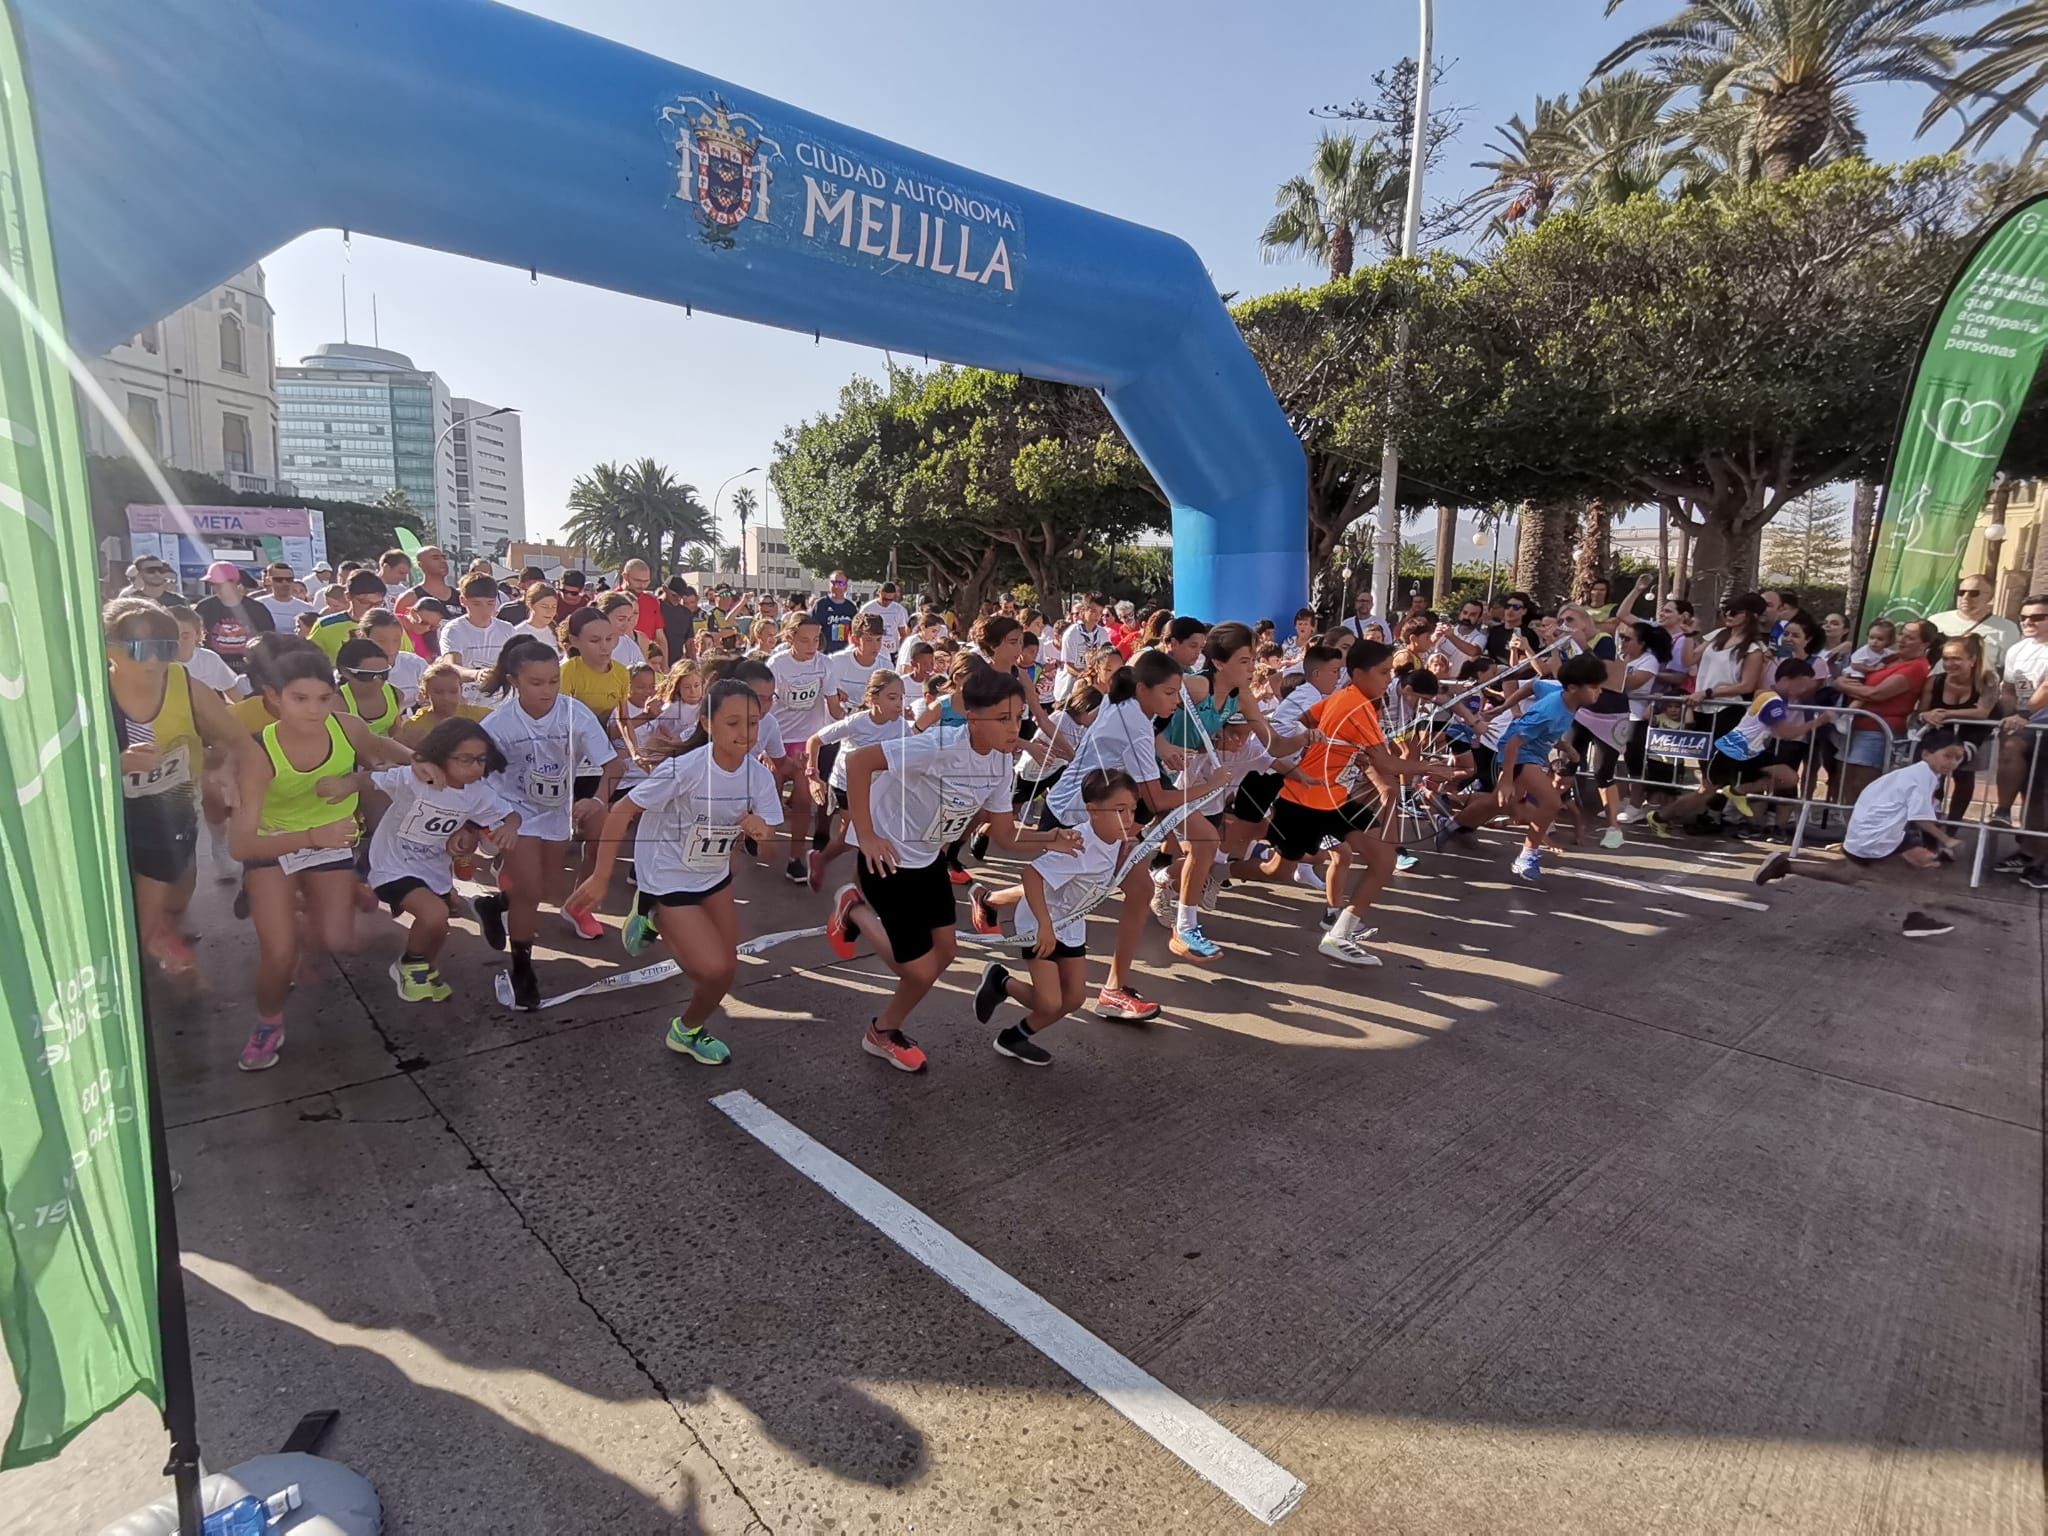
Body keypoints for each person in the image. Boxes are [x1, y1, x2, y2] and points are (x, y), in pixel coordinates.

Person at [830, 664, 1077, 1073]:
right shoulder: (937, 745)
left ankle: (884, 1030)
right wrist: (867, 834)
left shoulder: (1000, 764)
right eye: (1003, 719)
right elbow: (858, 763)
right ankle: (853, 910)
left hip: (927, 860)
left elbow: (1004, 834)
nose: (1014, 728)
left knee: (945, 952)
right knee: (920, 970)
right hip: (887, 858)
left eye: (1019, 718)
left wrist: (1052, 839)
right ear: (973, 717)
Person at [569, 678, 782, 1065]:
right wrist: (601, 876)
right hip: (666, 875)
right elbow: (622, 811)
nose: (744, 733)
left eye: (752, 723)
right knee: (714, 970)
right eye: (732, 723)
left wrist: (761, 831)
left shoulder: (760, 776)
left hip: (712, 874)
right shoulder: (683, 769)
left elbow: (767, 844)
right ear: (707, 723)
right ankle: (651, 910)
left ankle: (687, 1032)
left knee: (727, 966)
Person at [228, 644, 416, 1070]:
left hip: (328, 845)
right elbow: (240, 845)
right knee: (278, 953)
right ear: (274, 698)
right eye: (300, 698)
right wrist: (311, 835)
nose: (314, 710)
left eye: (323, 698)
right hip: (275, 848)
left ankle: (324, 909)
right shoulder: (259, 753)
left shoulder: (345, 727)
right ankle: (268, 1022)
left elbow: (379, 742)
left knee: (337, 940)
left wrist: (419, 761)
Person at [475, 636, 618, 1009]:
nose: (546, 690)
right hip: (513, 812)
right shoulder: (498, 725)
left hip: (556, 811)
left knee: (546, 888)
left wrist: (597, 798)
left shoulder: (574, 713)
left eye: (553, 681)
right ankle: (522, 966)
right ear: (515, 682)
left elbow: (611, 765)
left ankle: (495, 905)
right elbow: (480, 782)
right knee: (530, 890)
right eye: (536, 683)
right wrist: (502, 817)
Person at [105, 598, 247, 974]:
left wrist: (227, 767)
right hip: (107, 811)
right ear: (110, 649)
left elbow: (239, 739)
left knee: (182, 885)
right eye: (140, 649)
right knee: (144, 888)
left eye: (166, 649)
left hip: (175, 803)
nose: (154, 661)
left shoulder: (185, 683)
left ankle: (162, 929)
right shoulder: (87, 690)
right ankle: (142, 957)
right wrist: (110, 763)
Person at [973, 768, 1143, 1067]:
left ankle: (1013, 1038)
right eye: (1119, 810)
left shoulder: (1117, 838)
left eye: (1132, 809)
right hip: (1041, 922)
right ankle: (1001, 981)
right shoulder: (1077, 844)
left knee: (1074, 999)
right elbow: (1031, 876)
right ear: (1093, 811)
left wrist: (1123, 854)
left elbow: (1100, 876)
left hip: (1071, 923)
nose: (1128, 818)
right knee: (1048, 1001)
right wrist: (1046, 928)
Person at [1753, 728, 1971, 938]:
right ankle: (1914, 918)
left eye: (1957, 758)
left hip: (1870, 832)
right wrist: (1946, 839)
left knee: (1850, 874)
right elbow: (1921, 818)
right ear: (1926, 754)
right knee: (1908, 875)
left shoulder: (1915, 774)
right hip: (1877, 836)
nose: (1952, 762)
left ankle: (1785, 866)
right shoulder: (1922, 777)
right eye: (1947, 756)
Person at [360, 718, 520, 1002]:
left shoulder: (478, 793)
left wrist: (509, 827)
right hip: (391, 865)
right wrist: (339, 786)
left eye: (481, 760)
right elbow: (370, 779)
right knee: (434, 914)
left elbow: (510, 814)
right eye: (465, 759)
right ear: (440, 754)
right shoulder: (414, 778)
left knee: (438, 927)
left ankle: (426, 969)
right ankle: (410, 965)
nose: (475, 767)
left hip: (433, 870)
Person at [1447, 652, 1610, 883]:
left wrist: (1506, 705)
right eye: (1594, 687)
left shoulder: (1559, 693)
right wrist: (1506, 780)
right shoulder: (1549, 711)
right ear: (1574, 687)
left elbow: (1533, 685)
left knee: (1498, 804)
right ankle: (1527, 855)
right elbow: (1514, 742)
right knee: (1551, 801)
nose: (1599, 691)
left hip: (1530, 752)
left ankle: (1453, 825)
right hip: (1519, 754)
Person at [1647, 660, 1824, 838]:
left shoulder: (1772, 696)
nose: (1804, 691)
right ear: (1787, 679)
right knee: (1705, 793)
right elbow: (1786, 732)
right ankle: (1659, 817)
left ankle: (1738, 791)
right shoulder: (1772, 700)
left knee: (1789, 777)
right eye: (1802, 685)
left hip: (1750, 753)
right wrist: (1818, 722)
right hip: (1731, 751)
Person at [805, 667, 907, 888]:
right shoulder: (857, 722)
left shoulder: (901, 726)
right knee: (857, 835)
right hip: (845, 785)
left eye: (901, 697)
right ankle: (830, 869)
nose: (899, 703)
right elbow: (814, 740)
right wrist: (813, 774)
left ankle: (853, 888)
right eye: (892, 697)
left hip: (877, 787)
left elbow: (912, 752)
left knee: (860, 836)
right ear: (873, 698)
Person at [1835, 619, 1937, 801]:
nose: (1903, 640)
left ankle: (1865, 826)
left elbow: (1877, 694)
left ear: (1925, 643)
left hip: (1878, 730)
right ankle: (1849, 825)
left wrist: (1842, 684)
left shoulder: (1917, 666)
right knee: (1845, 780)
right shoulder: (1889, 657)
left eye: (1910, 638)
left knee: (1863, 784)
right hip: (1856, 726)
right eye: (1902, 634)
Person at [768, 610, 836, 882]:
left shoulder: (825, 665)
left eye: (816, 639)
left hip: (806, 740)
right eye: (805, 640)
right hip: (776, 738)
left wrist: (859, 716)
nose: (812, 646)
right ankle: (753, 834)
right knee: (769, 800)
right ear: (789, 638)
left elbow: (834, 707)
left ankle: (795, 859)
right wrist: (763, 745)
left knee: (803, 800)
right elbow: (765, 707)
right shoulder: (776, 664)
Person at [1919, 633, 1998, 822]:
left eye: (1956, 658)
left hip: (1975, 735)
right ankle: (1930, 821)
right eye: (1945, 658)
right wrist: (1926, 715)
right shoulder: (1935, 681)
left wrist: (1946, 714)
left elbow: (1982, 712)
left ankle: (1953, 825)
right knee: (1934, 776)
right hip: (1941, 735)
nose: (1949, 664)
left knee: (1964, 779)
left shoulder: (1987, 679)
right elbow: (1921, 711)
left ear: (1972, 660)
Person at [440, 572, 518, 699]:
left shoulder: (507, 629)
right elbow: (451, 666)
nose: (485, 610)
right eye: (477, 604)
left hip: (502, 705)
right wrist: (476, 675)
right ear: (463, 601)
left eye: (490, 603)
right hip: (468, 704)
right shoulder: (454, 630)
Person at [194, 560, 276, 672]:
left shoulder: (257, 609)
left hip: (249, 670)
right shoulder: (204, 607)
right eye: (212, 584)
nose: (215, 588)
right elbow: (195, 638)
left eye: (220, 583)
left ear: (235, 582)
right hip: (212, 670)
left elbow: (269, 641)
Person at [1930, 572, 2021, 671]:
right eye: (1961, 592)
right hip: (1937, 683)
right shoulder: (1935, 621)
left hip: (1979, 684)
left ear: (1990, 597)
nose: (1965, 598)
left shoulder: (2007, 628)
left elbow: (2010, 667)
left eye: (1974, 593)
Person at [311, 569, 388, 662]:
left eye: (379, 603)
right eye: (365, 602)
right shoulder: (325, 626)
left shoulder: (390, 625)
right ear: (348, 596)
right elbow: (310, 662)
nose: (372, 608)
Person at [335, 636, 406, 736]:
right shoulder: (336, 704)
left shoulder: (396, 695)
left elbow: (396, 731)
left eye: (383, 674)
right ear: (345, 672)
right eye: (368, 675)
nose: (377, 681)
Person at [360, 607, 427, 703]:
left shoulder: (417, 665)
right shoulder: (352, 671)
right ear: (365, 637)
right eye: (381, 641)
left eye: (396, 640)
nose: (390, 649)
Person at [1055, 593, 1112, 703]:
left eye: (1100, 612)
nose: (1097, 616)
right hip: (1069, 689)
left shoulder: (1102, 633)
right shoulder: (1071, 633)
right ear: (1083, 610)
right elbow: (1068, 666)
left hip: (1092, 690)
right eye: (1093, 611)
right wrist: (1085, 678)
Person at [256, 561, 317, 630]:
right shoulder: (258, 605)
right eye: (278, 580)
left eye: (289, 579)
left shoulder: (307, 609)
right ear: (269, 580)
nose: (285, 583)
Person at [811, 570, 858, 653]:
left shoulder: (851, 607)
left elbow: (855, 631)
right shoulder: (820, 605)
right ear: (829, 584)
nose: (837, 586)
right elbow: (812, 628)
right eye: (834, 582)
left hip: (845, 653)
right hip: (824, 652)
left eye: (841, 583)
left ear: (846, 586)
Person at [859, 580, 911, 653]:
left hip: (891, 651)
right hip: (873, 650)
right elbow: (858, 629)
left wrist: (902, 650)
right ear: (879, 593)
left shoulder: (898, 609)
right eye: (884, 599)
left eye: (890, 599)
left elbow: (903, 632)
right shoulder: (867, 608)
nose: (887, 602)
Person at [508, 584, 561, 653]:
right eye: (544, 607)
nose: (550, 611)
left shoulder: (557, 633)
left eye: (554, 607)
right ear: (530, 605)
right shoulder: (517, 633)